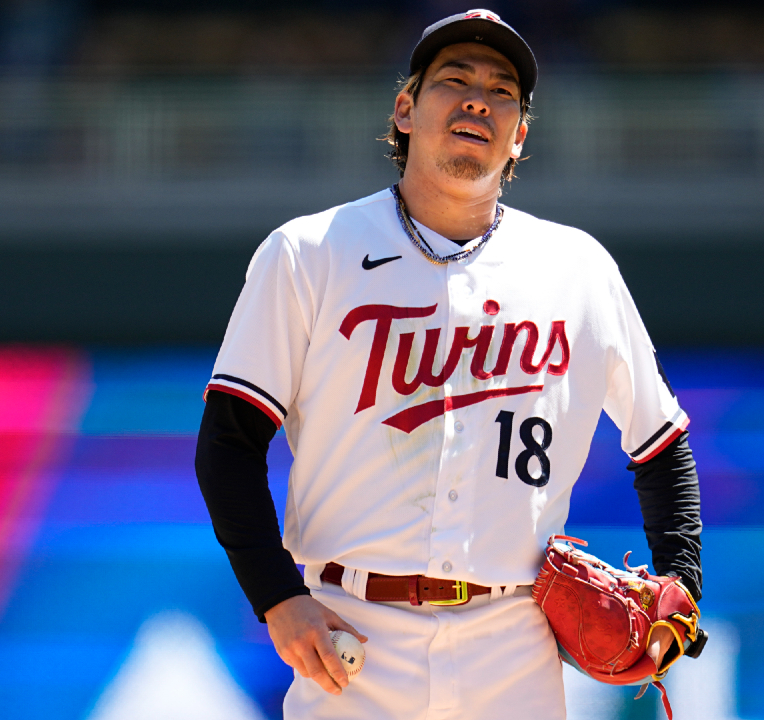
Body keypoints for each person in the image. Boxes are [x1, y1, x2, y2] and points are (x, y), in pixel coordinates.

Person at [194, 9, 701, 719]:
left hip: (513, 644)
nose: (477, 100)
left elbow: (662, 441)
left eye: (502, 93)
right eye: (453, 80)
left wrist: (683, 581)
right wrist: (278, 598)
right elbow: (227, 443)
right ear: (404, 109)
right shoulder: (311, 254)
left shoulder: (577, 268)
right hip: (354, 638)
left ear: (519, 135)